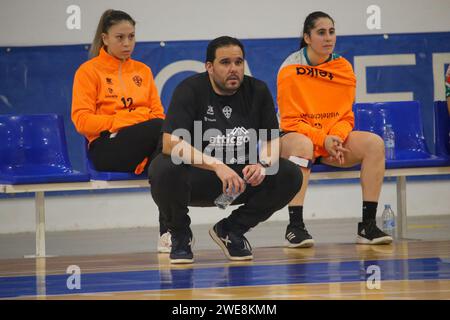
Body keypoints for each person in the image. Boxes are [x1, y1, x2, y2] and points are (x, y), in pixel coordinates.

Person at [148, 36, 302, 264]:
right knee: (164, 167)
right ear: (209, 67)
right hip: (198, 179)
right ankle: (180, 235)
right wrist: (217, 166)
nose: (233, 69)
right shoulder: (189, 89)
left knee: (289, 173)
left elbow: (271, 140)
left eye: (238, 62)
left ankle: (231, 230)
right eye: (225, 62)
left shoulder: (257, 90)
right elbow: (171, 143)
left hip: (239, 182)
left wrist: (262, 165)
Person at [277, 11, 393, 248]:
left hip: (331, 140)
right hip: (295, 139)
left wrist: (336, 138)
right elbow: (291, 122)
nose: (328, 38)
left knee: (374, 143)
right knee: (303, 145)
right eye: (321, 32)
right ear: (307, 38)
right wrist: (324, 139)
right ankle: (295, 226)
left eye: (331, 31)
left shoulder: (343, 67)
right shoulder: (290, 69)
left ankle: (367, 226)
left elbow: (345, 116)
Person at [71, 9, 165, 177]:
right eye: (120, 37)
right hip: (106, 146)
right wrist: (123, 120)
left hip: (142, 142)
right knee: (160, 129)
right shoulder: (88, 71)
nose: (127, 43)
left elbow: (158, 114)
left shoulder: (143, 71)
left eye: (131, 36)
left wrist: (136, 119)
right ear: (105, 38)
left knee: (180, 137)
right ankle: (149, 162)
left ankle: (147, 163)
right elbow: (82, 121)